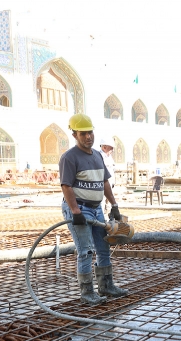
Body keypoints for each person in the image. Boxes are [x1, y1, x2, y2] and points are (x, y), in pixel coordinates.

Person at [59, 114, 129, 305]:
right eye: (83, 133)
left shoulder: (98, 155)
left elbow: (104, 181)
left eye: (90, 132)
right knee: (86, 251)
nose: (88, 136)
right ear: (75, 135)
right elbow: (66, 186)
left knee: (103, 246)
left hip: (96, 209)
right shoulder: (69, 157)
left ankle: (106, 285)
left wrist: (114, 205)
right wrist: (75, 211)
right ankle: (87, 292)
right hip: (80, 208)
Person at [99, 138, 116, 213]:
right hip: (103, 183)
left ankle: (108, 214)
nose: (112, 150)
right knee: (102, 201)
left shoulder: (109, 157)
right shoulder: (99, 156)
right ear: (104, 147)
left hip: (110, 182)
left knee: (109, 201)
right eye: (111, 148)